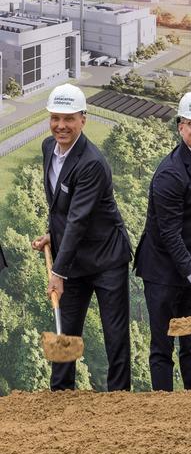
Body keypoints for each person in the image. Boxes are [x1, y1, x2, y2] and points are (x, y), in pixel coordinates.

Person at [31, 83, 132, 391]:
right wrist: (52, 235)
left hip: (106, 258)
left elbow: (79, 219)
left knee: (114, 332)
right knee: (67, 329)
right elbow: (62, 209)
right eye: (55, 118)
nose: (61, 126)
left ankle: (119, 398)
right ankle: (61, 394)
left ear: (83, 120)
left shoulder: (92, 164)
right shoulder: (49, 147)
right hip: (72, 257)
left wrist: (58, 271)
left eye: (69, 119)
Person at [134, 90, 191, 392]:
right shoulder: (170, 174)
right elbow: (169, 234)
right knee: (163, 346)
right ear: (180, 127)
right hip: (162, 271)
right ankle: (164, 413)